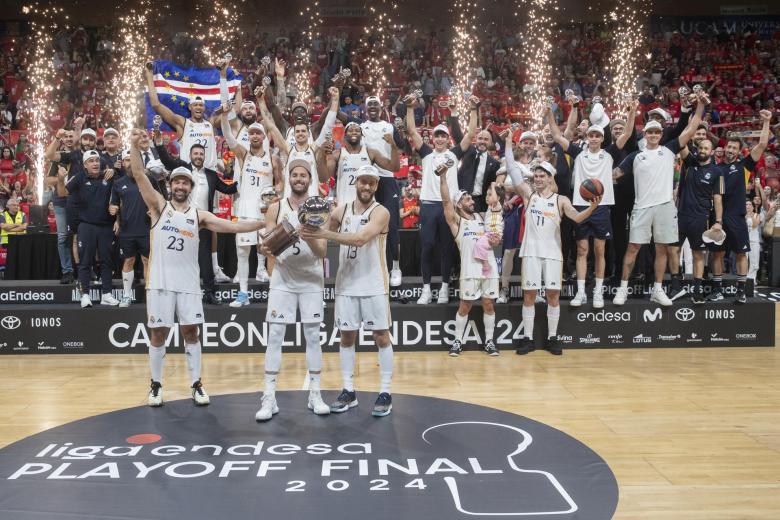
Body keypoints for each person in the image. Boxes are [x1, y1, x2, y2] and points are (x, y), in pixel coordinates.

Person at [127, 128, 267, 407]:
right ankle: (156, 385)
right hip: (160, 283)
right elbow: (140, 176)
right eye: (176, 182)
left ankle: (196, 383)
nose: (180, 186)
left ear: (191, 188)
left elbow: (235, 226)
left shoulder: (199, 215)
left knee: (191, 333)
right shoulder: (158, 207)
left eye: (185, 183)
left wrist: (264, 222)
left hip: (189, 285)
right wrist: (133, 146)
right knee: (158, 334)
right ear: (171, 186)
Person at [300, 165, 394, 417]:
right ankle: (348, 390)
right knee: (347, 337)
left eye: (372, 183)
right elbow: (320, 242)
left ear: (376, 186)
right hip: (346, 284)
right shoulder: (341, 211)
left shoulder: (381, 212)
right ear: (356, 183)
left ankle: (385, 392)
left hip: (374, 284)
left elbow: (360, 238)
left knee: (381, 336)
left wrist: (324, 232)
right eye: (363, 182)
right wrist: (308, 232)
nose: (367, 187)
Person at [612, 93, 705, 306]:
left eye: (656, 131)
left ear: (661, 134)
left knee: (662, 249)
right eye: (650, 131)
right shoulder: (635, 156)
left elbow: (691, 129)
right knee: (633, 248)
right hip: (641, 207)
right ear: (644, 133)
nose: (653, 134)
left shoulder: (669, 149)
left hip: (664, 206)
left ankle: (657, 290)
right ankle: (622, 290)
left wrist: (699, 106)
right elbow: (614, 174)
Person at [254, 159, 329, 421]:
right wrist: (271, 261)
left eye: (303, 175)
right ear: (289, 178)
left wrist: (308, 233)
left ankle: (316, 394)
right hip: (284, 278)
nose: (299, 179)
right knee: (275, 335)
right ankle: (269, 397)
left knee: (312, 336)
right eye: (295, 175)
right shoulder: (275, 207)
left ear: (310, 179)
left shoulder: (320, 207)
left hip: (310, 277)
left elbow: (322, 252)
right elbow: (265, 247)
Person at [546, 100, 636, 308]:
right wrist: (549, 113)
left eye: (597, 135)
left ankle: (597, 292)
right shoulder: (578, 153)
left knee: (600, 250)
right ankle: (580, 293)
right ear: (587, 138)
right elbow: (557, 135)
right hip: (580, 206)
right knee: (581, 250)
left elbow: (627, 133)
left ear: (602, 138)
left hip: (602, 206)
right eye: (591, 135)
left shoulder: (608, 154)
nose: (594, 138)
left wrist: (631, 112)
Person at [505, 160, 599, 356]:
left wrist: (591, 208)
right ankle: (528, 339)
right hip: (531, 251)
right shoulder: (528, 195)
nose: (538, 179)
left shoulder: (561, 199)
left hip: (553, 253)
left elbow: (576, 218)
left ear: (550, 178)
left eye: (542, 176)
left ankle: (552, 338)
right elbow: (513, 172)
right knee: (529, 295)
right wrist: (507, 145)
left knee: (553, 295)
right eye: (536, 176)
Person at [405, 93, 479, 305]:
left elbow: (471, 133)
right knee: (427, 246)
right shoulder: (426, 153)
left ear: (448, 139)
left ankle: (445, 287)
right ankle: (426, 289)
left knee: (447, 248)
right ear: (433, 138)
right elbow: (411, 130)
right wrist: (410, 108)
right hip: (428, 206)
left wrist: (473, 110)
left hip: (449, 207)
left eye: (443, 136)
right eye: (436, 135)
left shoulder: (454, 154)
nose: (439, 139)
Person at [155, 134, 237, 305]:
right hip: (181, 219)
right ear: (190, 155)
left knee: (205, 258)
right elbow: (167, 161)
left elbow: (227, 189)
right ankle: (175, 290)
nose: (198, 156)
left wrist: (241, 178)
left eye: (201, 154)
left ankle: (209, 292)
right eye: (196, 154)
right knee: (180, 256)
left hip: (203, 221)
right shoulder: (183, 168)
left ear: (204, 156)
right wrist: (159, 143)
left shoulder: (212, 175)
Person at [220, 107, 281, 306]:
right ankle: (243, 294)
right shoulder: (243, 155)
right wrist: (223, 116)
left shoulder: (272, 158)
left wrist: (273, 193)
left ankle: (275, 291)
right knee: (243, 252)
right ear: (248, 136)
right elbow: (229, 137)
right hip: (245, 210)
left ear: (264, 136)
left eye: (258, 133)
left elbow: (281, 183)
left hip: (265, 213)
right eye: (251, 133)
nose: (255, 135)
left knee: (269, 251)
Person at [710, 110, 772, 303]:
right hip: (719, 219)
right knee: (717, 254)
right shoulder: (716, 169)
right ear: (724, 148)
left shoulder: (744, 165)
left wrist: (766, 121)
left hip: (737, 218)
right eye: (728, 147)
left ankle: (741, 291)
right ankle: (718, 290)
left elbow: (762, 144)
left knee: (741, 253)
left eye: (734, 148)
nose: (730, 150)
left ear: (739, 151)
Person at [439, 170, 502, 357]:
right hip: (469, 271)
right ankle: (457, 341)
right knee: (465, 306)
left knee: (489, 304)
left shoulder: (483, 219)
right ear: (458, 204)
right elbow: (445, 203)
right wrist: (443, 178)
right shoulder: (456, 223)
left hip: (488, 270)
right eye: (466, 199)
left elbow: (495, 236)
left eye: (471, 198)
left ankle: (489, 341)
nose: (471, 201)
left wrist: (496, 240)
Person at [56, 149, 119, 308]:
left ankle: (107, 294)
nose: (95, 163)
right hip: (86, 226)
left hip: (106, 226)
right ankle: (84, 295)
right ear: (85, 165)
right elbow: (62, 193)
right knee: (85, 262)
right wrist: (60, 179)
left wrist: (115, 170)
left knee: (106, 262)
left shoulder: (108, 175)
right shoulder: (79, 177)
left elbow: (123, 188)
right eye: (91, 161)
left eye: (97, 160)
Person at [145, 66, 218, 169]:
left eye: (200, 105)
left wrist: (236, 84)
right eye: (195, 105)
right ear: (190, 107)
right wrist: (149, 74)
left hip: (209, 175)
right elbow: (156, 105)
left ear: (204, 108)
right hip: (188, 173)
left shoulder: (211, 123)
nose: (198, 107)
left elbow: (234, 111)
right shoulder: (182, 123)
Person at [316, 121, 399, 205]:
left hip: (366, 206)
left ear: (362, 135)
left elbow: (394, 168)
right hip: (344, 205)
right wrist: (322, 155)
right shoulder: (337, 154)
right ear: (344, 135)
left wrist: (393, 146)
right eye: (350, 130)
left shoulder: (371, 153)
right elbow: (323, 178)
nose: (354, 132)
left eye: (357, 130)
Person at [109, 150, 151, 307]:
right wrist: (114, 213)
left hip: (147, 229)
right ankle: (126, 295)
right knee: (129, 260)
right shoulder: (118, 183)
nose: (130, 163)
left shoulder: (149, 180)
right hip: (127, 230)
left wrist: (154, 210)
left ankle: (150, 295)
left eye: (133, 160)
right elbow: (113, 204)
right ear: (123, 163)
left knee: (147, 261)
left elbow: (160, 201)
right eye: (127, 160)